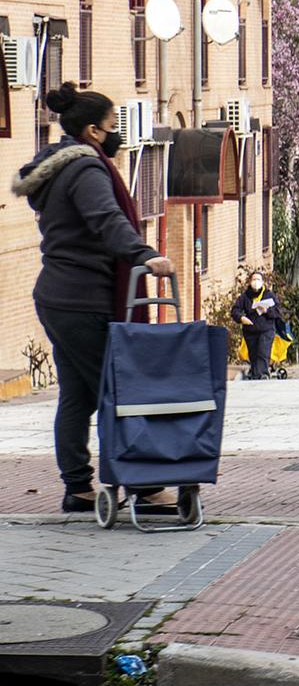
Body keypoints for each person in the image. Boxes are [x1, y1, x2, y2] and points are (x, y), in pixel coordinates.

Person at [13, 83, 177, 514]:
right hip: (84, 297)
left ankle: (78, 488)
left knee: (77, 395)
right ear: (91, 131)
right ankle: (143, 487)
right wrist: (146, 255)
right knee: (117, 390)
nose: (116, 132)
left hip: (58, 295)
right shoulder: (86, 170)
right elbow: (106, 221)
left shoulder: (59, 167)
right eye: (111, 125)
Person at [230, 270, 285, 380]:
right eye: (254, 279)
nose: (256, 282)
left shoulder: (269, 295)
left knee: (262, 352)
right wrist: (241, 318)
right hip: (250, 330)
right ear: (250, 282)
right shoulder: (245, 297)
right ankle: (256, 375)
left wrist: (267, 311)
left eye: (258, 280)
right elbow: (235, 311)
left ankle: (262, 375)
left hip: (266, 329)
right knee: (253, 355)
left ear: (263, 282)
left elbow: (278, 311)